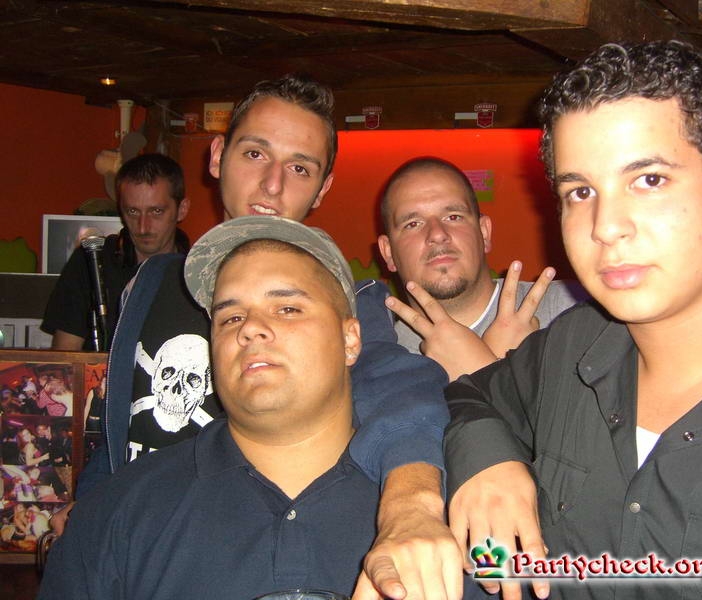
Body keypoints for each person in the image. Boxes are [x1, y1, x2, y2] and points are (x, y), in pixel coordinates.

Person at [56, 75, 456, 600]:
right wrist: (93, 513)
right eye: (255, 154)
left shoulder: (346, 301)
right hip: (147, 555)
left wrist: (412, 503)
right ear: (217, 156)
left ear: (323, 187)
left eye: (299, 168)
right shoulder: (151, 282)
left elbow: (402, 388)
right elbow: (121, 420)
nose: (272, 185)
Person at [445, 40, 702, 600]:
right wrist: (486, 462)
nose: (605, 226)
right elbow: (467, 398)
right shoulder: (572, 346)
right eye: (581, 191)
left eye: (649, 179)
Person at [39, 217, 467, 600]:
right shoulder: (113, 515)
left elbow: (507, 572)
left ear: (351, 339)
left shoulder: (457, 502)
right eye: (230, 318)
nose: (251, 329)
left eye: (287, 308)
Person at [378, 157, 586, 379]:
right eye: (413, 224)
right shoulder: (378, 366)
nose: (437, 234)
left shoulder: (575, 310)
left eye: (453, 217)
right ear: (388, 252)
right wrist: (500, 370)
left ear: (484, 233)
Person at [41, 153, 191, 351]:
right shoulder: (91, 261)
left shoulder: (197, 272)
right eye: (133, 212)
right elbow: (66, 355)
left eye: (156, 211)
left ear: (182, 209)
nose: (143, 227)